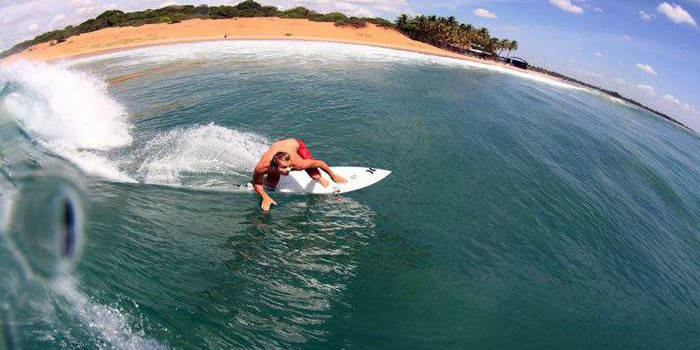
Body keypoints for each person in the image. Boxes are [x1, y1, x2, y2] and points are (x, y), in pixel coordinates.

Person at [252, 139, 347, 211]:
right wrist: (265, 197)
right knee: (271, 184)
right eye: (284, 167)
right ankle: (265, 180)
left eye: (289, 166)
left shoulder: (298, 163)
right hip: (276, 147)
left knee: (315, 175)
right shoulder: (262, 167)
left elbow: (320, 163)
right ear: (274, 166)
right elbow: (256, 183)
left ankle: (320, 178)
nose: (289, 170)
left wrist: (333, 176)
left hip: (296, 144)